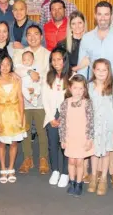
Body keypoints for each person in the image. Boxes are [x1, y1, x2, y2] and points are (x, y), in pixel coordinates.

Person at [13, 25, 50, 176]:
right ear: (26, 37)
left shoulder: (47, 54)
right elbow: (15, 70)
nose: (33, 37)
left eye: (36, 34)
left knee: (42, 131)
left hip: (41, 98)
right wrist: (30, 71)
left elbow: (49, 75)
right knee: (25, 130)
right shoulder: (19, 53)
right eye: (29, 34)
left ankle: (43, 158)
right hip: (23, 99)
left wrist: (38, 81)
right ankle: (27, 158)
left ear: (41, 37)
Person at [87, 58, 113, 196]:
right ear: (93, 71)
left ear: (109, 71)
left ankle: (103, 180)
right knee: (94, 152)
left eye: (104, 70)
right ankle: (94, 176)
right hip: (93, 126)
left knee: (106, 152)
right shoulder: (88, 87)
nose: (101, 73)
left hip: (108, 126)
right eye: (98, 69)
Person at [0, 55, 27, 183]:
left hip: (15, 115)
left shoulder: (16, 79)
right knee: (1, 144)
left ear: (11, 66)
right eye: (2, 64)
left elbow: (21, 99)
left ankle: (11, 167)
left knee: (13, 143)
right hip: (1, 115)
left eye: (8, 64)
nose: (5, 67)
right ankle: (3, 167)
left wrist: (22, 117)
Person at [58, 74, 94, 196]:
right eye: (75, 88)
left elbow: (90, 123)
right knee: (71, 161)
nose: (78, 91)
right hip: (70, 138)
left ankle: (79, 183)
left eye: (81, 88)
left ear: (84, 90)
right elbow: (62, 123)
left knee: (79, 162)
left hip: (82, 138)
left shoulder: (87, 103)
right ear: (70, 88)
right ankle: (72, 182)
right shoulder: (65, 104)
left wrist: (89, 139)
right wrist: (62, 139)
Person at [77, 1, 113, 79]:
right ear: (95, 16)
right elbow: (82, 68)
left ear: (112, 16)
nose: (103, 18)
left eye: (106, 14)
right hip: (93, 87)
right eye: (99, 14)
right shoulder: (86, 38)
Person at [42, 48, 72, 187]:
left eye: (59, 59)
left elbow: (74, 99)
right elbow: (45, 99)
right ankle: (55, 170)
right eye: (53, 59)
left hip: (68, 116)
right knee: (52, 144)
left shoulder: (73, 76)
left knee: (66, 145)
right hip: (51, 115)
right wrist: (50, 117)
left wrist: (64, 117)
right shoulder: (48, 77)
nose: (56, 62)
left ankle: (65, 172)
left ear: (65, 60)